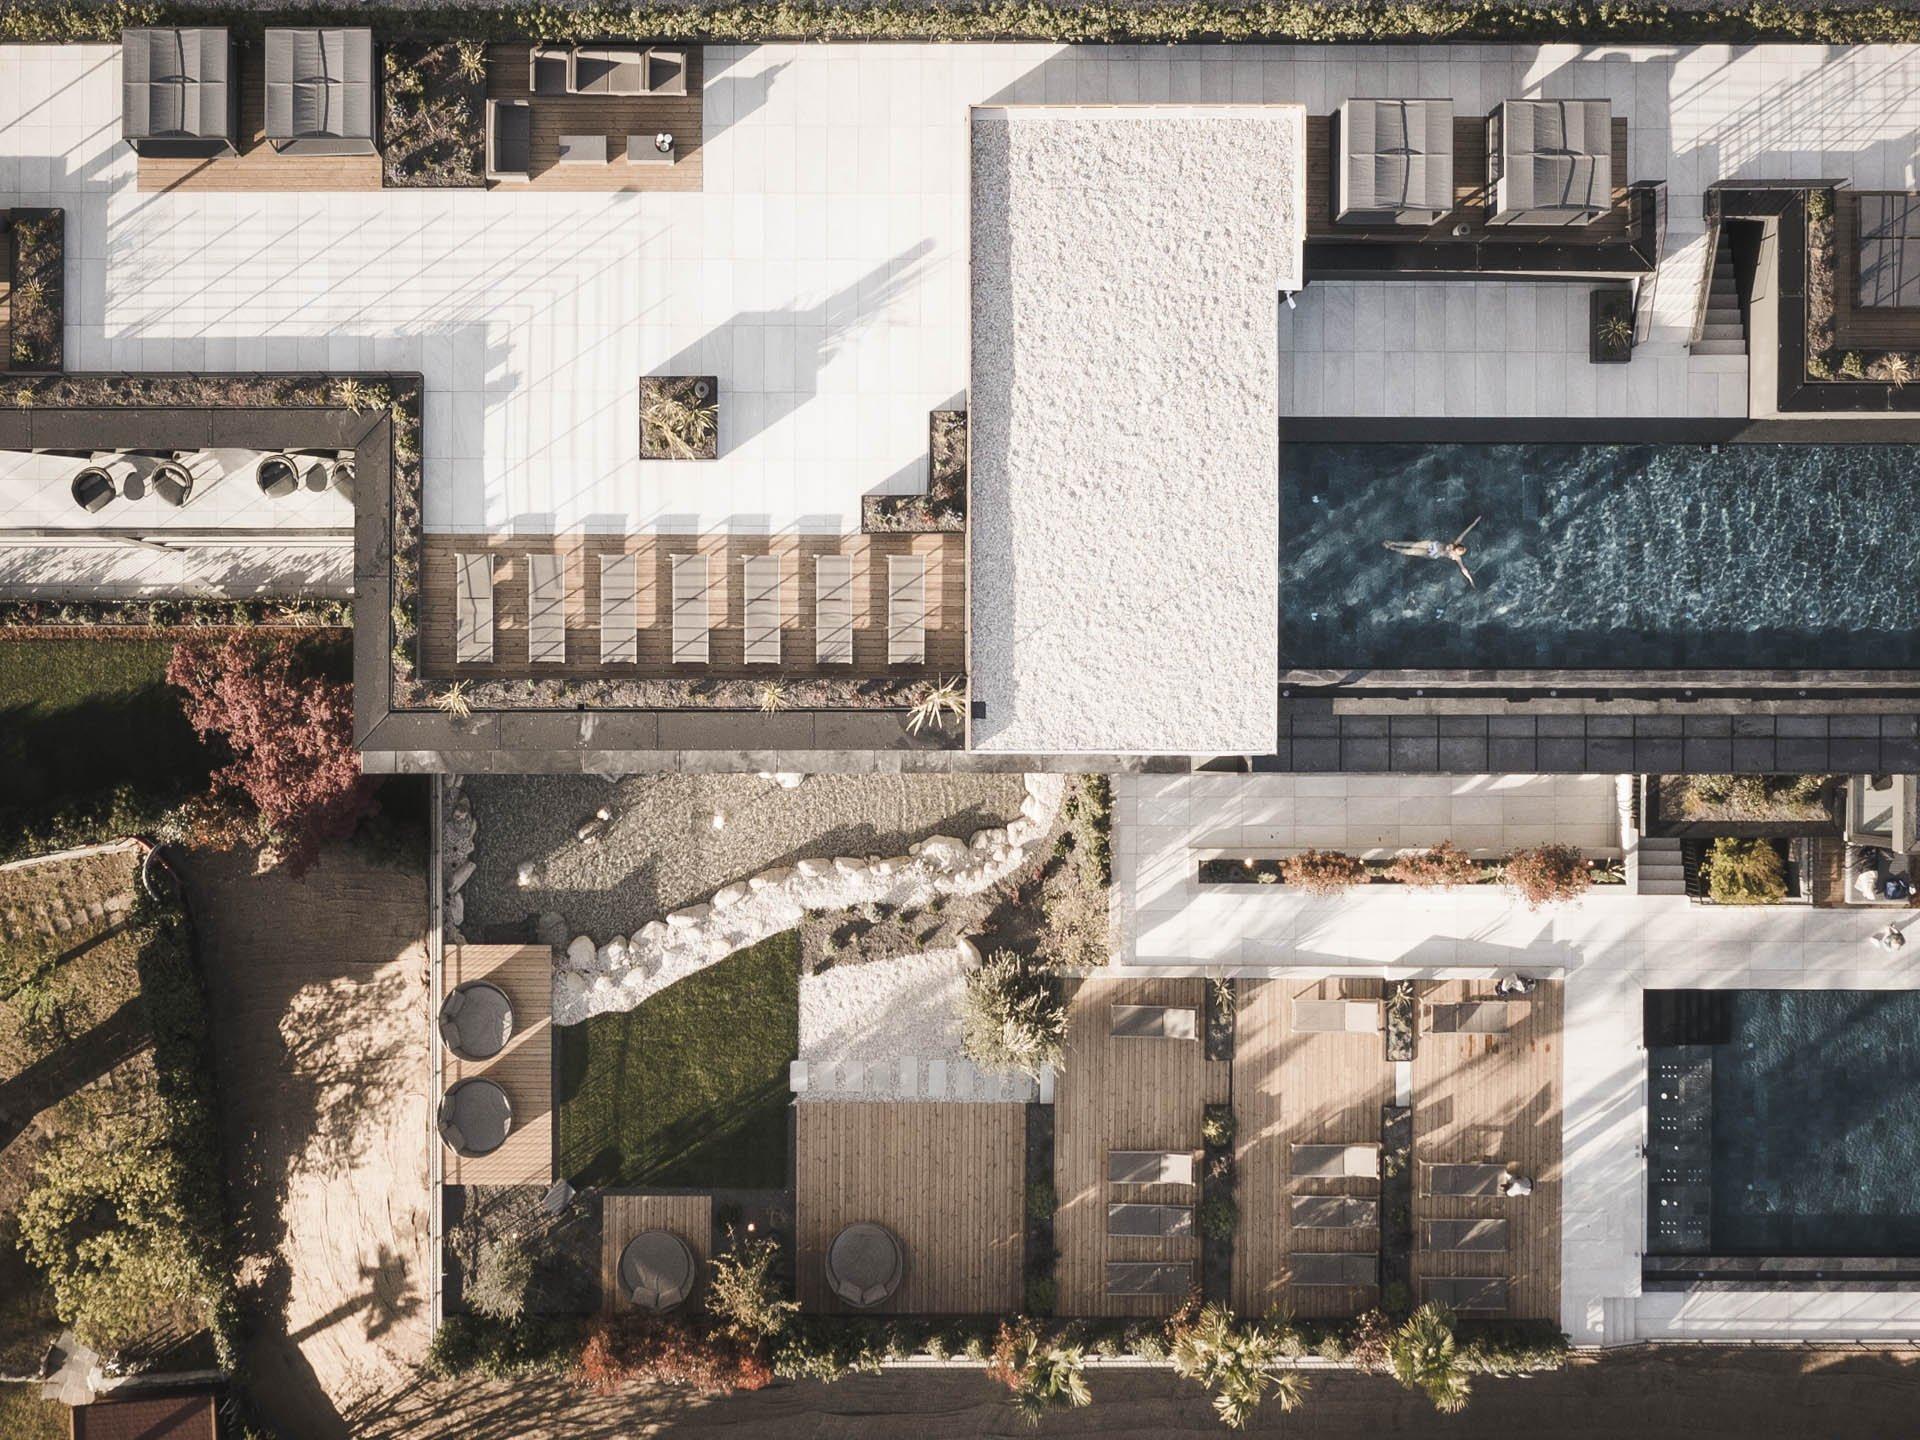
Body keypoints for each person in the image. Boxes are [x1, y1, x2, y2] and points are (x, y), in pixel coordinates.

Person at [1383, 516, 1482, 588]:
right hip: (1432, 545)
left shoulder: (1457, 558)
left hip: (1432, 554)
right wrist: (1474, 522)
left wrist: (1470, 580)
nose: (1459, 552)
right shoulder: (1456, 542)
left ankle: (1392, 548)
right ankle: (1393, 542)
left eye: (1460, 553)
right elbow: (1465, 532)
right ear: (1458, 547)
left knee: (1409, 552)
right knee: (1413, 544)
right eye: (1460, 550)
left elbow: (1464, 569)